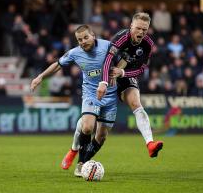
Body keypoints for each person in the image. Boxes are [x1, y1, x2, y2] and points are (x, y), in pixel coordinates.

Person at [61, 12, 164, 176]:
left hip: (125, 75)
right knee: (87, 125)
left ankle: (150, 143)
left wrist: (123, 73)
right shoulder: (120, 38)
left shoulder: (148, 44)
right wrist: (104, 81)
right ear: (131, 26)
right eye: (138, 28)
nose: (141, 32)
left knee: (130, 109)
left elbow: (142, 69)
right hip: (107, 76)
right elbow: (108, 60)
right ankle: (74, 150)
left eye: (144, 29)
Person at [30, 25, 118, 177]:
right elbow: (57, 65)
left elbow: (123, 60)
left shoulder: (108, 46)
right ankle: (81, 163)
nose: (83, 42)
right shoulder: (74, 53)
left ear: (93, 36)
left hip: (110, 96)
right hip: (91, 93)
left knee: (101, 136)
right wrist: (40, 77)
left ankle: (80, 157)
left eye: (85, 37)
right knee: (87, 127)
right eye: (79, 40)